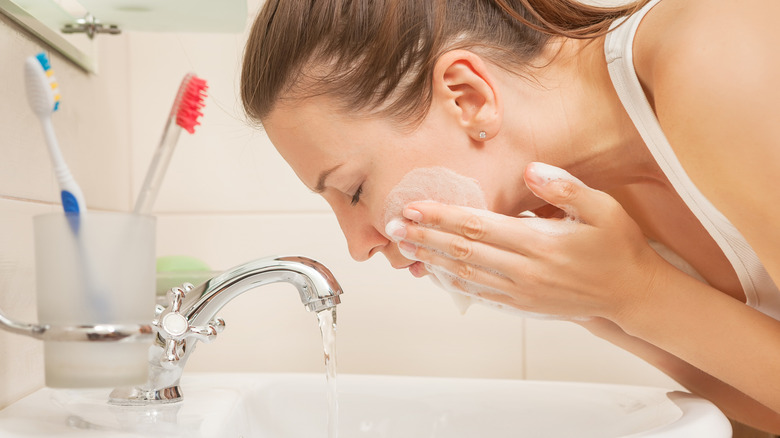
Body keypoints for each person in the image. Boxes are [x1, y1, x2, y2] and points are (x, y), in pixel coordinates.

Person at [240, 0, 780, 432]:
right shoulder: (575, 213)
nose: (358, 247)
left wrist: (637, 293)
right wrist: (599, 306)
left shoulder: (713, 57)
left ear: (467, 97)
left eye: (354, 189)